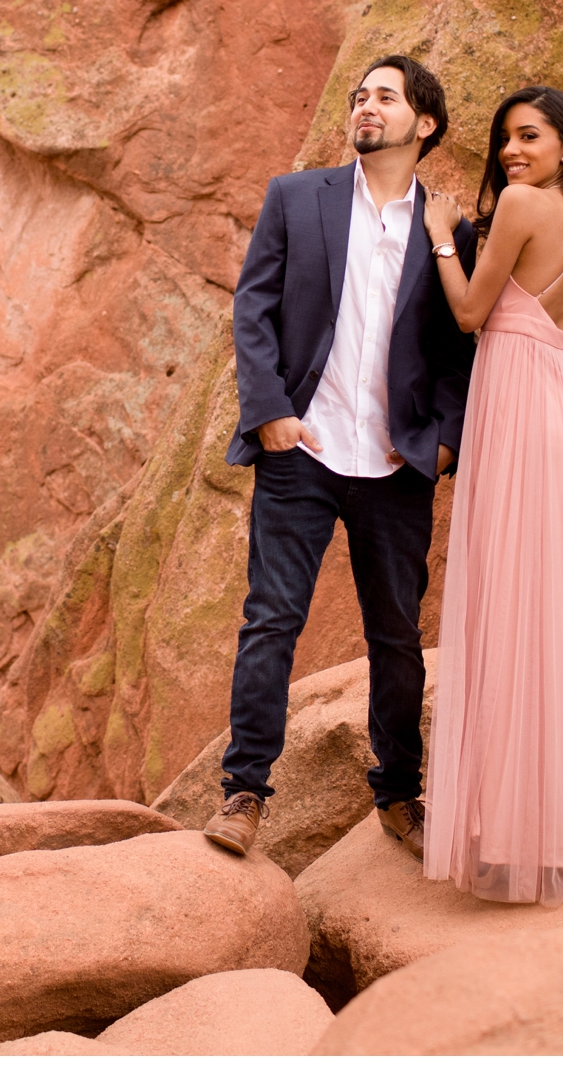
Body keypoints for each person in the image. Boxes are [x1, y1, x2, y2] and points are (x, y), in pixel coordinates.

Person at [202, 55, 479, 859]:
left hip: (395, 465)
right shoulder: (298, 197)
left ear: (423, 123)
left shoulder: (446, 228)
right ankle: (244, 791)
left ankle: (399, 791)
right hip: (304, 450)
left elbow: (462, 346)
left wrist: (445, 439)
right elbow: (253, 306)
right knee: (271, 622)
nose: (366, 107)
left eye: (385, 97)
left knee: (395, 637)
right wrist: (271, 414)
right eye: (361, 96)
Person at [416, 84, 563, 905]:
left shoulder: (518, 204)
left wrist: (444, 238)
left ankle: (511, 835)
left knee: (513, 612)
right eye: (506, 139)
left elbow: (473, 311)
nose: (512, 151)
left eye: (530, 136)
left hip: (521, 419)